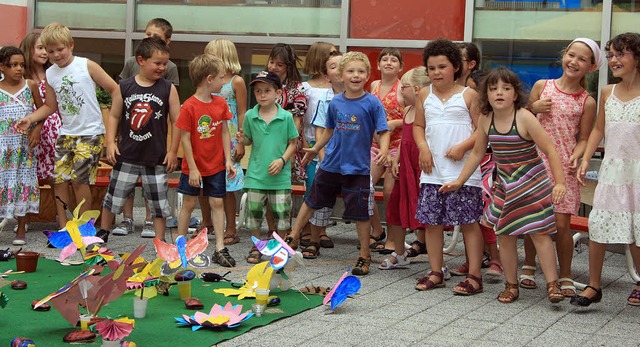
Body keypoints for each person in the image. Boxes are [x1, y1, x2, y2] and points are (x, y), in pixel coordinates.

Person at [441, 67, 566, 304]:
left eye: (506, 88)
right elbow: (477, 154)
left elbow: (550, 149)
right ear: (486, 95)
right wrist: (460, 181)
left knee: (539, 233)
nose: (499, 93)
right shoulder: (486, 119)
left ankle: (553, 284)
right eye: (493, 88)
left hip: (532, 183)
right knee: (505, 235)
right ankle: (511, 285)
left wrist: (559, 183)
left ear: (515, 94)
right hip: (507, 185)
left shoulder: (524, 117)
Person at [286, 51, 390, 276]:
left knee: (361, 213)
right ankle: (293, 238)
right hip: (331, 164)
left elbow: (383, 131)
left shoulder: (372, 103)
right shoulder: (335, 103)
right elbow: (329, 130)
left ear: (368, 76)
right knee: (312, 199)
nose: (356, 75)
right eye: (350, 71)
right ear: (341, 76)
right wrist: (315, 148)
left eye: (361, 71)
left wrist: (383, 150)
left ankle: (364, 255)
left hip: (358, 168)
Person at [16, 22, 119, 230]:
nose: (55, 55)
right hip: (66, 134)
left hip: (90, 133)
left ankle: (83, 228)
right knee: (60, 180)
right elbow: (50, 106)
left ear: (71, 45)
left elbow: (115, 90)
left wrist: (112, 129)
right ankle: (64, 227)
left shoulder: (86, 65)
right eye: (50, 51)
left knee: (80, 181)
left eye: (60, 49)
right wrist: (31, 118)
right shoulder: (51, 74)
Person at [521, 38, 599, 296]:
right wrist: (533, 107)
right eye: (571, 55)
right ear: (564, 56)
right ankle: (529, 265)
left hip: (564, 167)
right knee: (534, 220)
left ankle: (565, 274)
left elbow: (584, 138)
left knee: (562, 224)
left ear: (591, 67)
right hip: (535, 162)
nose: (574, 62)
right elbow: (520, 121)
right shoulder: (543, 87)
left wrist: (577, 156)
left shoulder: (586, 101)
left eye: (582, 59)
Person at [573, 32, 640, 307]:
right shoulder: (606, 92)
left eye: (621, 54)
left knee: (637, 231)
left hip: (637, 174)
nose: (614, 60)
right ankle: (594, 286)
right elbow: (598, 128)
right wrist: (587, 159)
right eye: (611, 54)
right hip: (612, 171)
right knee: (599, 225)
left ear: (638, 58)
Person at [413, 38, 484, 294]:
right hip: (433, 172)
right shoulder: (424, 94)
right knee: (432, 223)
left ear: (455, 67)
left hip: (463, 173)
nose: (436, 73)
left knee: (468, 222)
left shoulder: (469, 95)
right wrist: (423, 147)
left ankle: (475, 275)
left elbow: (482, 131)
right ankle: (436, 271)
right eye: (431, 68)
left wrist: (463, 146)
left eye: (442, 67)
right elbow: (418, 126)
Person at [96, 37, 180, 242]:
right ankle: (103, 234)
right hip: (127, 154)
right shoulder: (124, 86)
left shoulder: (168, 88)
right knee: (113, 198)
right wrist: (111, 143)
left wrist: (172, 151)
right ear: (141, 60)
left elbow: (178, 121)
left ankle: (160, 241)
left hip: (156, 157)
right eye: (157, 63)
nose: (162, 67)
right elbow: (114, 116)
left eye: (165, 63)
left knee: (159, 203)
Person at [175, 54, 237, 267]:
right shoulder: (189, 106)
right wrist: (192, 168)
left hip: (216, 165)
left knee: (217, 202)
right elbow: (185, 139)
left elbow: (225, 132)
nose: (224, 81)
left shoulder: (220, 103)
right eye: (221, 77)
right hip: (193, 166)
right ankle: (180, 248)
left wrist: (228, 160)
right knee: (189, 204)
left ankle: (219, 247)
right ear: (209, 79)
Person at [450, 42, 503, 279]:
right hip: (468, 158)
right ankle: (474, 258)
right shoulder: (451, 90)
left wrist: (462, 146)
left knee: (483, 209)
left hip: (485, 158)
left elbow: (480, 131)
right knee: (468, 212)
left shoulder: (473, 85)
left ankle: (495, 258)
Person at [236, 71, 298, 264]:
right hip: (256, 175)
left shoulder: (286, 116)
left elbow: (293, 142)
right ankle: (256, 245)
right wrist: (242, 139)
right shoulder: (250, 115)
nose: (262, 95)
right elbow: (248, 139)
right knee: (253, 214)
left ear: (277, 93)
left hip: (280, 177)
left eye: (267, 90)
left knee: (282, 215)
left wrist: (282, 160)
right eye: (258, 91)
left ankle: (279, 246)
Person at [378, 67, 430, 269]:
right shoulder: (407, 110)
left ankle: (437, 262)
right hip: (405, 167)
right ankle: (399, 253)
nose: (400, 91)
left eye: (404, 87)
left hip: (421, 168)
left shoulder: (427, 111)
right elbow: (403, 141)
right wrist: (396, 160)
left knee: (427, 214)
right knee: (396, 208)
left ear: (416, 89)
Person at [203, 38, 247, 245]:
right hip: (208, 136)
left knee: (228, 185)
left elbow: (242, 111)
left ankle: (231, 227)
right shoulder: (206, 80)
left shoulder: (236, 81)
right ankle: (206, 224)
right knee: (205, 182)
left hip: (228, 136)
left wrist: (241, 141)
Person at [302, 50, 343, 259]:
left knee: (364, 196)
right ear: (327, 76)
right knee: (317, 192)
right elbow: (320, 128)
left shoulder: (363, 98)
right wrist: (321, 154)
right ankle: (312, 236)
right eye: (333, 66)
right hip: (325, 153)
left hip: (350, 158)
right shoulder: (325, 100)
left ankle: (367, 245)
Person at [262, 43, 307, 234]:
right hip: (265, 144)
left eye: (279, 64)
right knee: (265, 190)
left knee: (282, 193)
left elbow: (297, 123)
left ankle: (285, 233)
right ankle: (272, 231)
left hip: (287, 145)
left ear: (288, 66)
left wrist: (288, 148)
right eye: (272, 62)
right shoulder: (262, 84)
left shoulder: (297, 89)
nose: (273, 67)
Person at [0, 46, 42, 245]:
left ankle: (22, 228)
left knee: (23, 183)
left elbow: (44, 111)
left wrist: (37, 129)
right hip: (2, 148)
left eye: (21, 65)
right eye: (13, 65)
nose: (19, 69)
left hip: (23, 147)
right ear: (2, 67)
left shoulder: (30, 85)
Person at [368, 47, 405, 253]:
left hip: (395, 149)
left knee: (391, 193)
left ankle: (392, 238)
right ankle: (376, 229)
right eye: (385, 59)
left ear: (401, 66)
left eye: (394, 60)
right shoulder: (374, 85)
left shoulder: (402, 88)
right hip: (374, 146)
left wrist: (394, 123)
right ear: (378, 65)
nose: (389, 62)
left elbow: (412, 115)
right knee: (364, 188)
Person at [20, 32, 61, 186]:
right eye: (40, 48)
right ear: (29, 49)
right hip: (29, 126)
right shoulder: (21, 76)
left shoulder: (53, 73)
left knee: (54, 175)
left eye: (47, 49)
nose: (45, 52)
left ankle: (53, 209)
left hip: (53, 129)